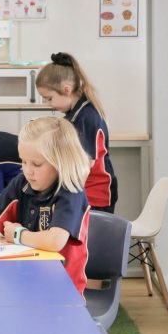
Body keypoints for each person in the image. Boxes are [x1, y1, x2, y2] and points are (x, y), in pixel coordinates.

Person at [0, 117, 91, 295]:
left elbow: (55, 241)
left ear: (60, 162)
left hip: (62, 290)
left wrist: (19, 235)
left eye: (36, 164)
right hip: (27, 280)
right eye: (23, 161)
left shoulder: (71, 191)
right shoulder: (23, 182)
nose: (27, 170)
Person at [36, 51, 117, 213]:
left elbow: (85, 163)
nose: (48, 104)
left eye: (49, 98)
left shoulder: (86, 117)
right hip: (86, 192)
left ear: (66, 89)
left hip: (95, 195)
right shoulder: (76, 114)